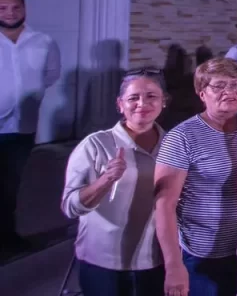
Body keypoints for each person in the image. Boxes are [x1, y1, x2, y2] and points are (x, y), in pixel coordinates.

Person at [61, 70, 167, 296]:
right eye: (133, 98)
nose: (142, 103)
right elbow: (70, 207)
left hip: (154, 258)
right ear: (120, 104)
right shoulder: (96, 144)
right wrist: (105, 180)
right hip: (103, 261)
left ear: (163, 102)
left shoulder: (174, 145)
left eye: (151, 96)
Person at [155, 58, 237, 296]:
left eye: (235, 84)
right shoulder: (182, 137)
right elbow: (164, 205)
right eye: (219, 86)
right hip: (202, 252)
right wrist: (173, 265)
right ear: (202, 93)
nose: (229, 91)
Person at [0, 0, 59, 253]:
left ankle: (7, 236)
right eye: (2, 8)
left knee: (12, 184)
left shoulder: (43, 41)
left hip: (23, 126)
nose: (10, 13)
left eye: (16, 8)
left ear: (24, 10)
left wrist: (28, 93)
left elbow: (51, 74)